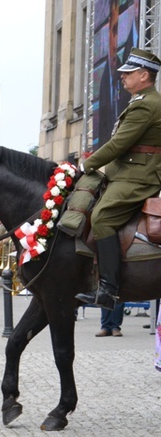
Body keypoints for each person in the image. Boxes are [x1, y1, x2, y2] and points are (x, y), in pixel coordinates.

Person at [77, 48, 161, 311]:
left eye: (128, 73)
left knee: (102, 217)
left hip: (138, 178)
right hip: (126, 173)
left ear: (144, 75)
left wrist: (86, 164)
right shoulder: (140, 101)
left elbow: (118, 145)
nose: (123, 77)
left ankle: (108, 289)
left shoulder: (146, 104)